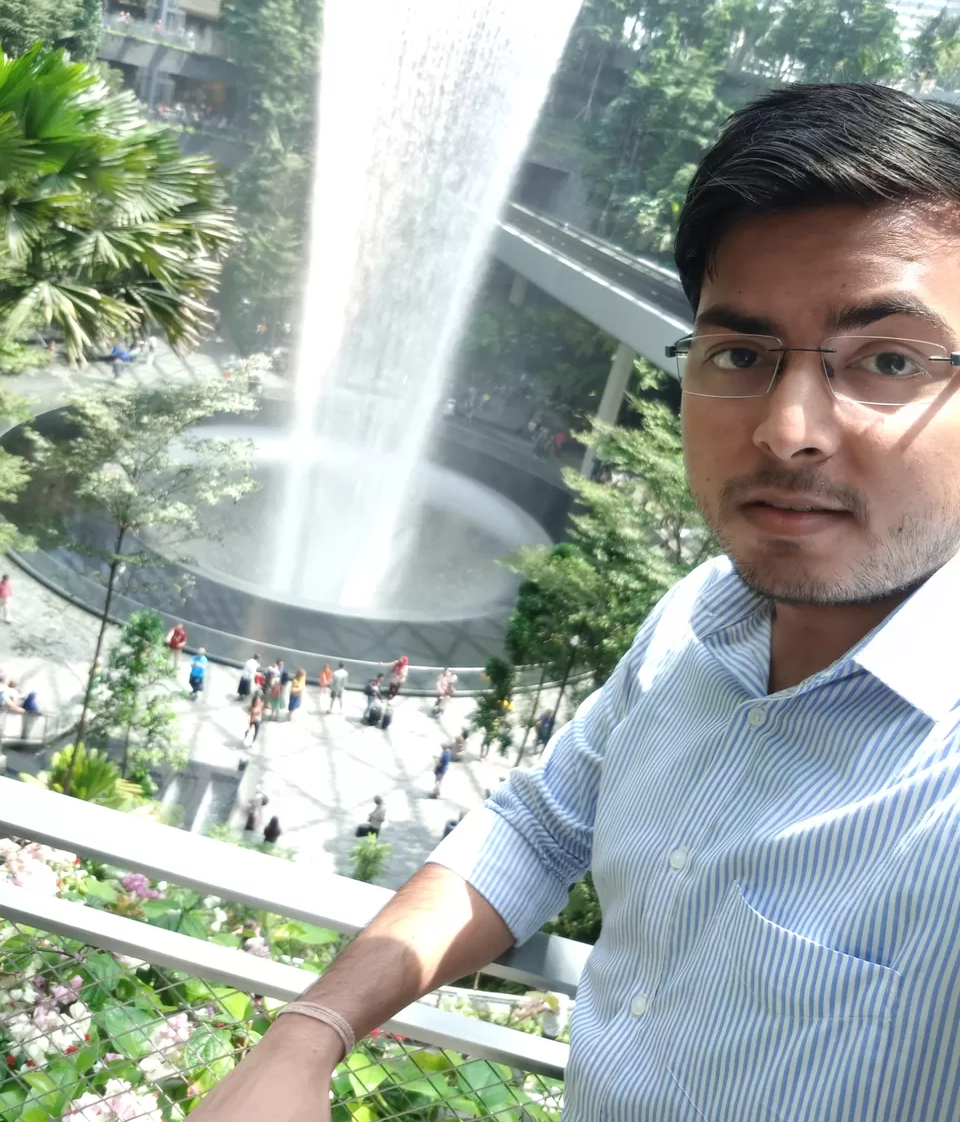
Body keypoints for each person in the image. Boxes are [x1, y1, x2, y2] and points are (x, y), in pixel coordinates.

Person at [192, 83, 960, 1121]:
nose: (787, 429)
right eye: (740, 353)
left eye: (887, 361)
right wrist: (314, 1027)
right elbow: (544, 824)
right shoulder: (699, 618)